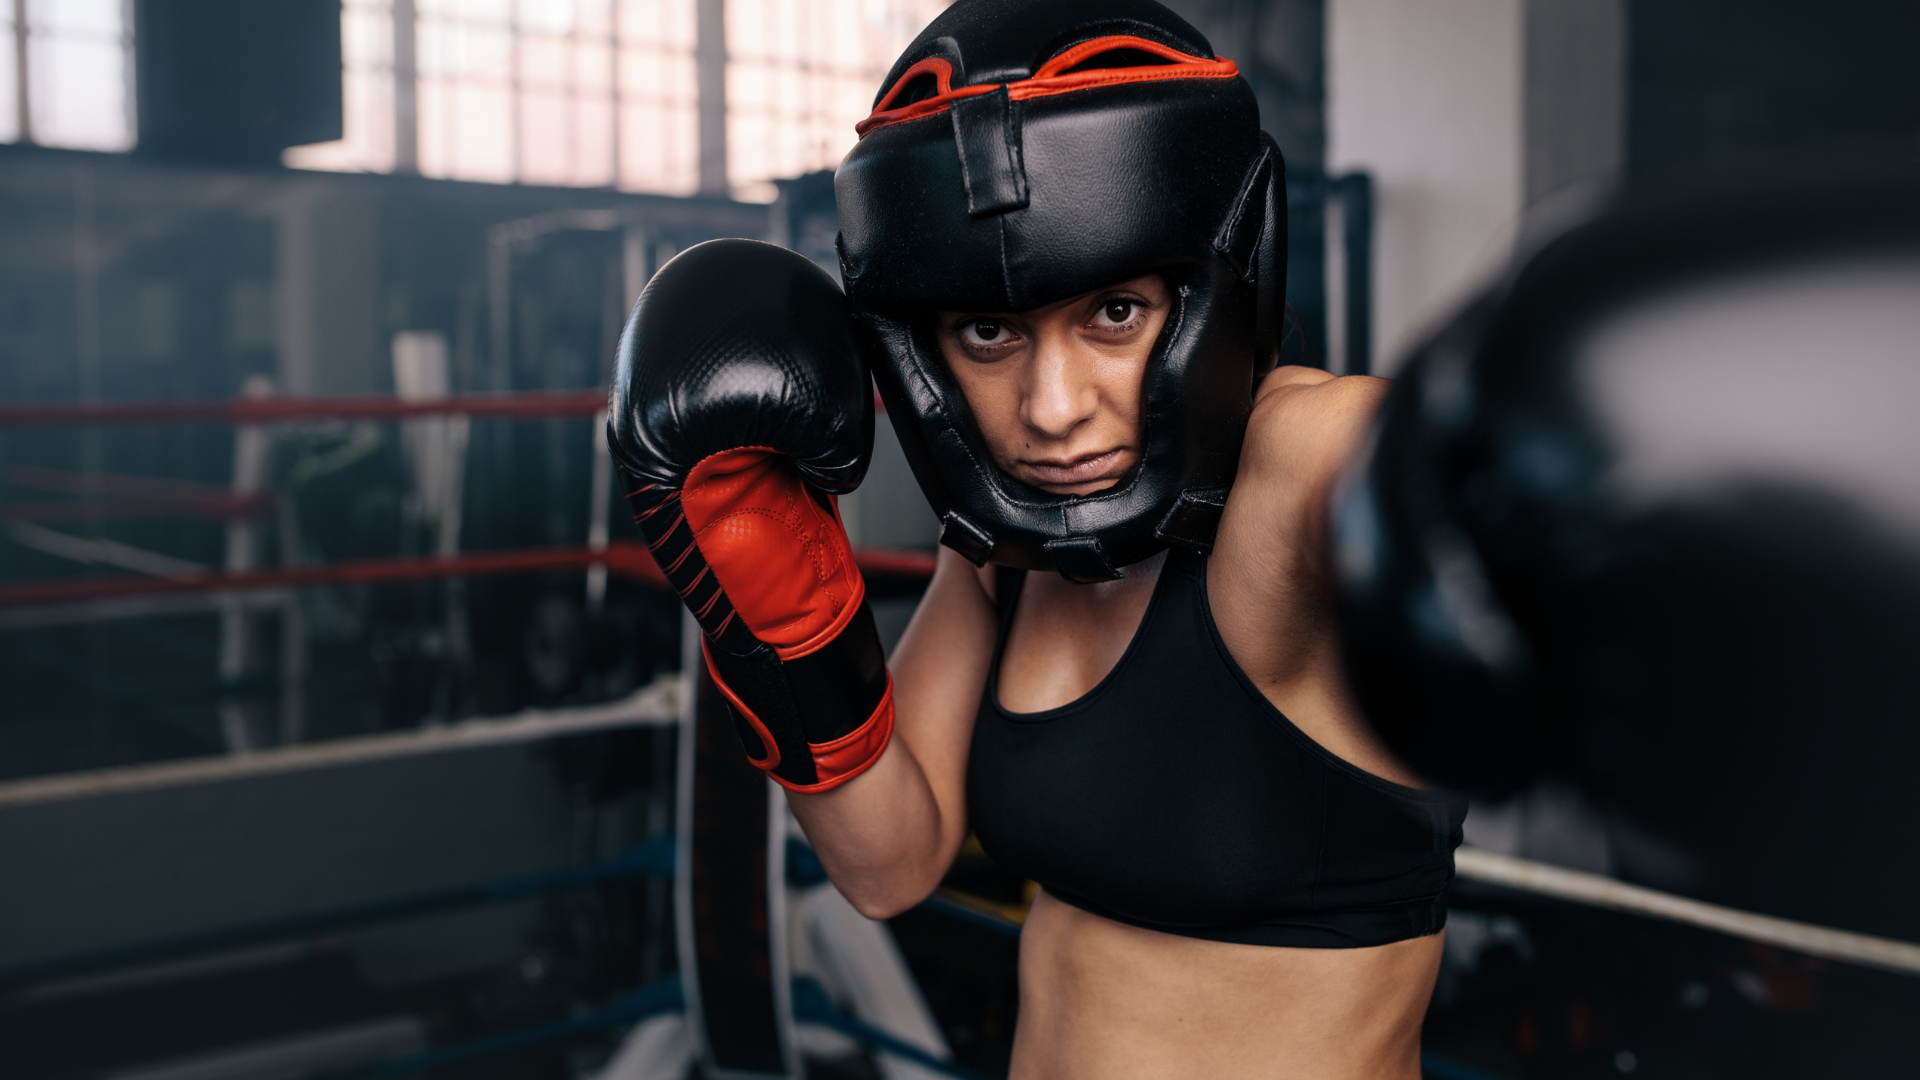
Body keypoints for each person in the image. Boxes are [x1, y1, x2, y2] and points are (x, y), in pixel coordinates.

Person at [609, 2, 1466, 1076]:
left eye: (1115, 314)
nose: (1052, 408)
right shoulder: (1005, 556)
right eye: (989, 332)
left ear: (1210, 288)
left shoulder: (1292, 469)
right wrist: (778, 628)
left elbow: (1445, 460)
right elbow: (888, 867)